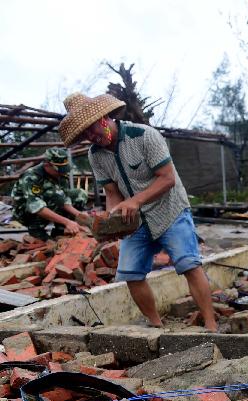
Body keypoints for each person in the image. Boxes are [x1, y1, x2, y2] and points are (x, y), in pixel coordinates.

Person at [59, 93, 217, 331]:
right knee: (130, 273)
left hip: (169, 209)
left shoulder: (143, 135)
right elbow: (112, 192)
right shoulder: (96, 154)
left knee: (188, 264)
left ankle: (212, 325)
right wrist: (114, 220)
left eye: (91, 130)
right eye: (85, 135)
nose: (91, 137)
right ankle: (156, 326)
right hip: (136, 220)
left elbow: (167, 179)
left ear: (103, 118)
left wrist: (134, 201)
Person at [11, 148, 89, 240]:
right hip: (25, 211)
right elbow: (36, 207)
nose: (62, 172)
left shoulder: (61, 174)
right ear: (47, 164)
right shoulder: (31, 176)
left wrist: (79, 214)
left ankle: (60, 231)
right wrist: (67, 222)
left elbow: (64, 198)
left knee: (79, 194)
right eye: (58, 169)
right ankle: (36, 230)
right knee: (49, 196)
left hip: (45, 204)